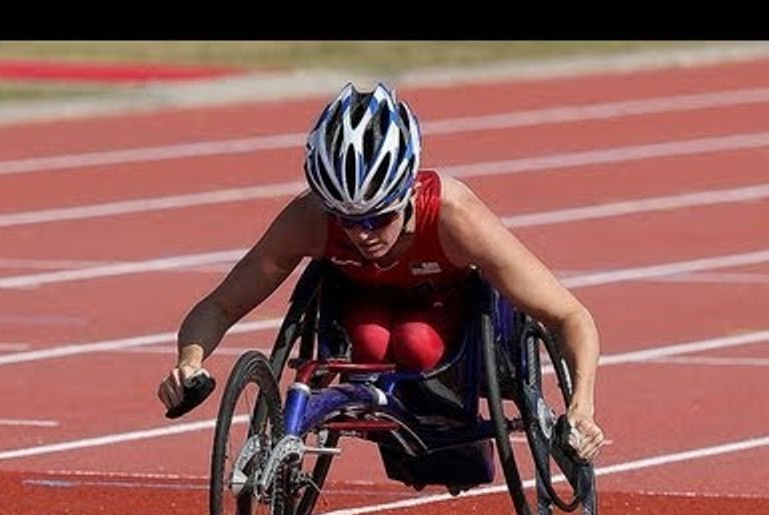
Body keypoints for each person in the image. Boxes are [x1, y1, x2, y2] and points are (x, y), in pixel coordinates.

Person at [157, 82, 606, 462]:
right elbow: (220, 304)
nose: (363, 234)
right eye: (347, 220)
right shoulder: (310, 218)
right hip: (358, 306)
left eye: (378, 218)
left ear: (408, 191)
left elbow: (571, 316)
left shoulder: (455, 217)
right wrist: (188, 364)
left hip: (445, 310)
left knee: (416, 342)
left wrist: (581, 405)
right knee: (371, 340)